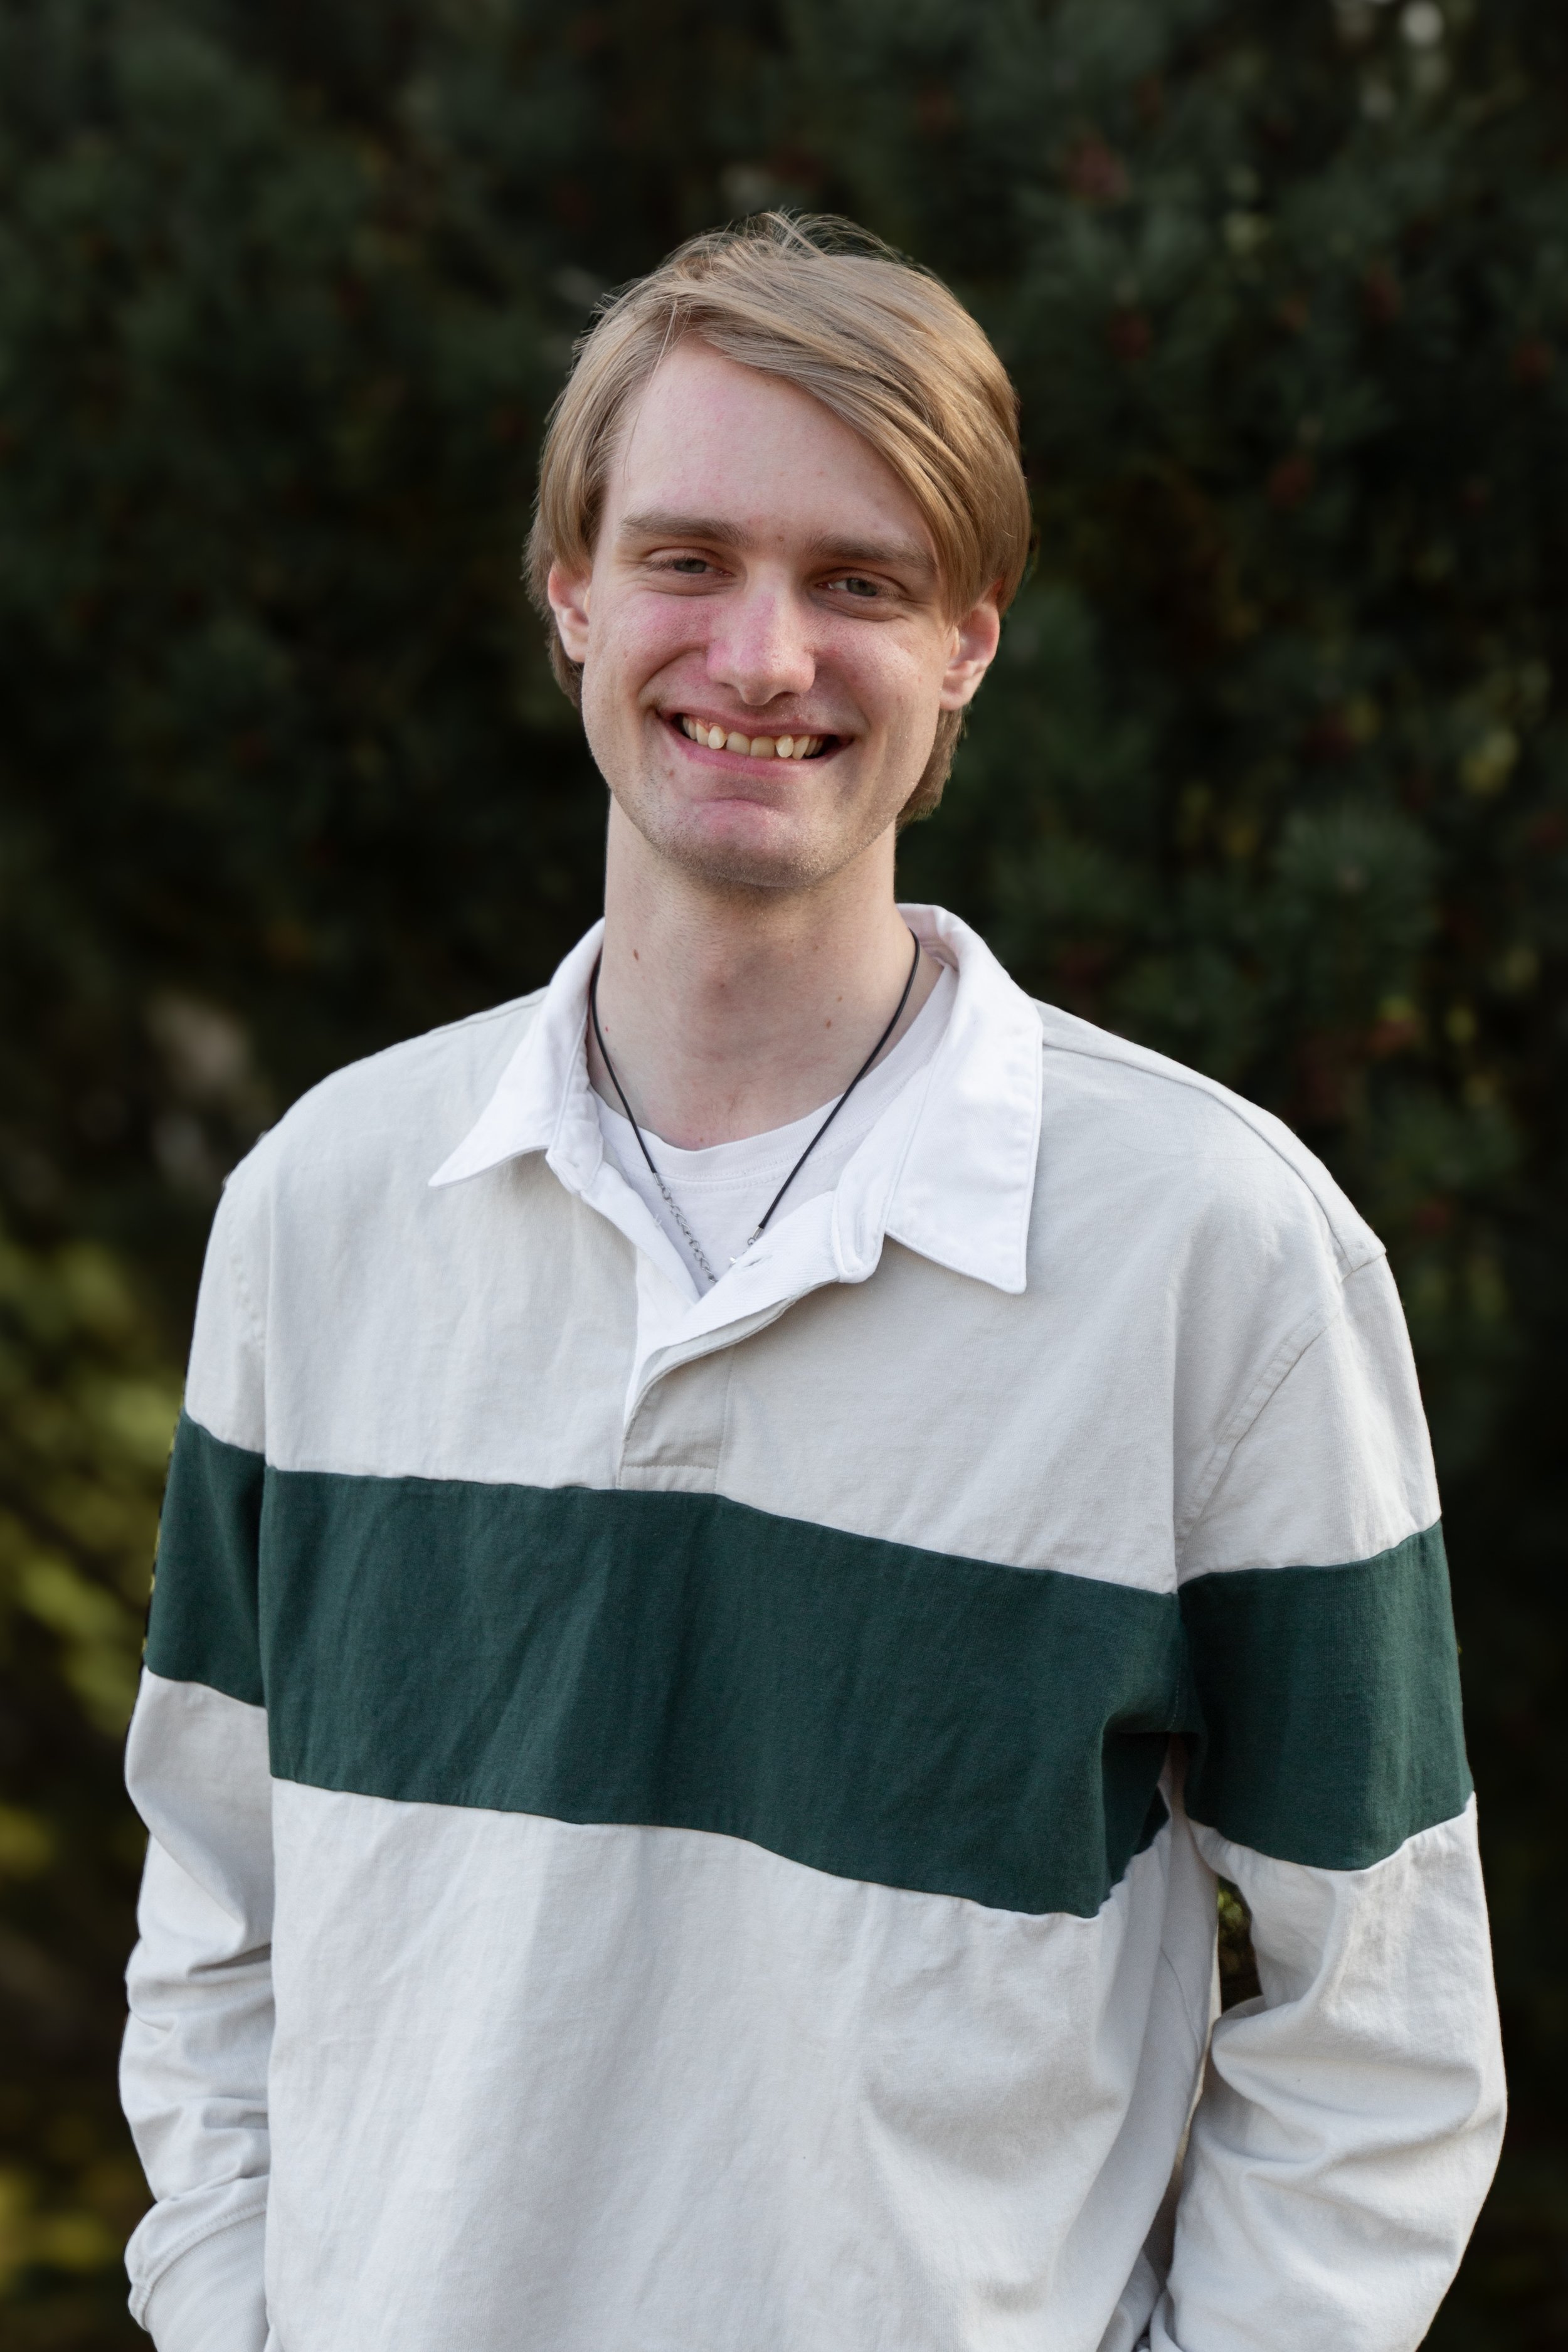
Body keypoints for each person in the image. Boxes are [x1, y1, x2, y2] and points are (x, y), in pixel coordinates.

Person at [121, 213, 1504, 2352]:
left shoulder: (1215, 1252)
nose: (759, 657)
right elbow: (217, 1912)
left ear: (965, 641)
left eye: (856, 582)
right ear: (569, 589)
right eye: (685, 559)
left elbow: (1382, 2042)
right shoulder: (326, 1205)